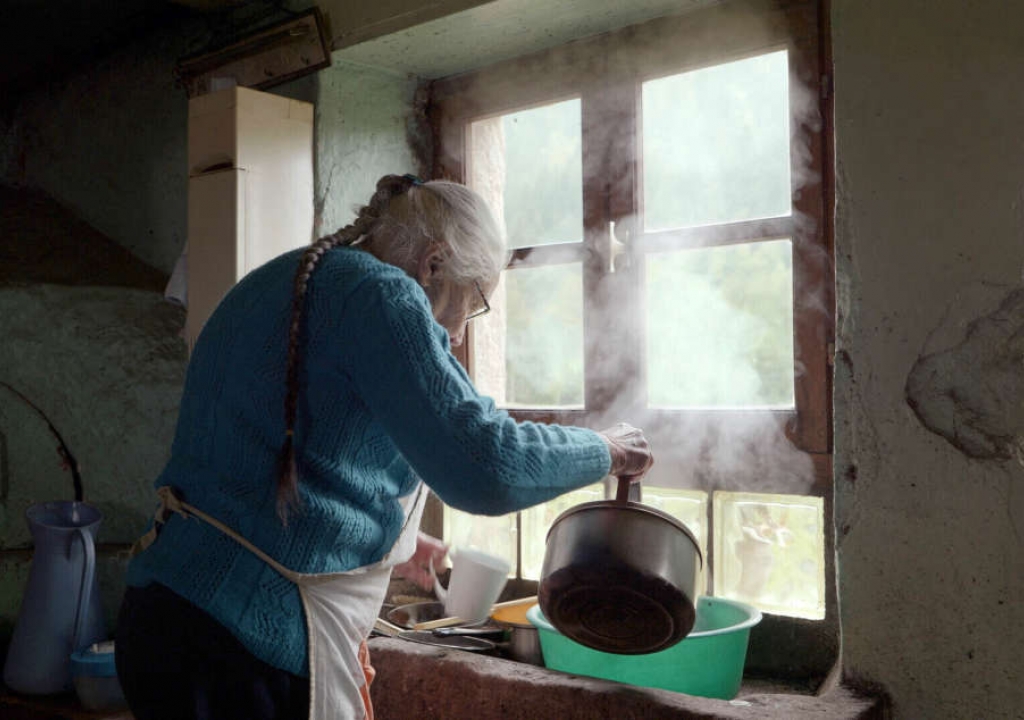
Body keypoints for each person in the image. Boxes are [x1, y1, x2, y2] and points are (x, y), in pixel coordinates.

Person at [115, 174, 653, 720]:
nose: (462, 333)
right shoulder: (382, 294)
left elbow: (277, 454)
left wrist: (390, 540)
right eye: (476, 300)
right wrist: (604, 449)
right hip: (237, 651)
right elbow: (486, 465)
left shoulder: (288, 276)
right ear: (434, 264)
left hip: (166, 618)